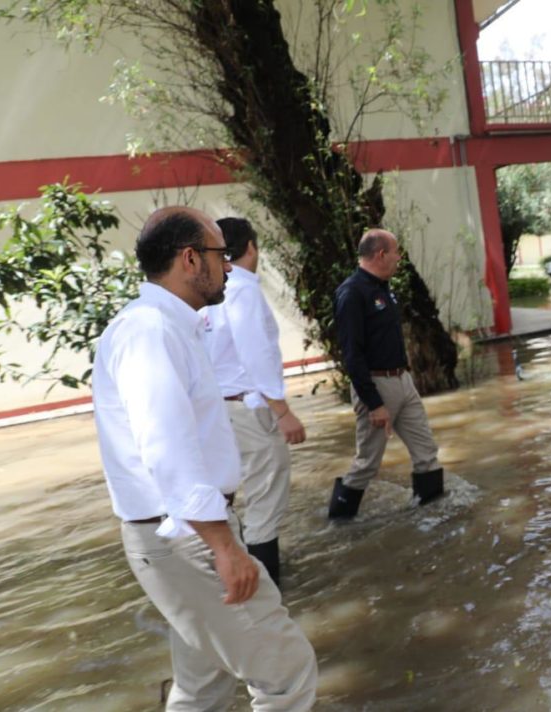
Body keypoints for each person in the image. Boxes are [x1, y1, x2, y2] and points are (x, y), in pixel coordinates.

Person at [92, 207, 317, 710]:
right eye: (220, 254)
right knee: (288, 672)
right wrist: (224, 546)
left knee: (203, 688)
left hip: (182, 531)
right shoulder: (150, 331)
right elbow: (166, 449)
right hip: (185, 535)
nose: (230, 267)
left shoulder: (169, 326)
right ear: (190, 259)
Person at [203, 217, 306, 587]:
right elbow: (256, 352)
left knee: (226, 497)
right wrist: (282, 410)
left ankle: (231, 578)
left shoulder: (208, 293)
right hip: (249, 408)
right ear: (250, 247)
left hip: (219, 410)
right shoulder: (242, 289)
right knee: (265, 500)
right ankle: (268, 591)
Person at [328, 228, 444, 519]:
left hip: (403, 382)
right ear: (381, 254)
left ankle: (433, 516)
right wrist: (374, 403)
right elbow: (352, 356)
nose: (399, 258)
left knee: (426, 452)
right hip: (376, 386)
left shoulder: (383, 288)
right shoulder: (352, 292)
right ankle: (338, 524)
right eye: (396, 252)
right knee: (367, 463)